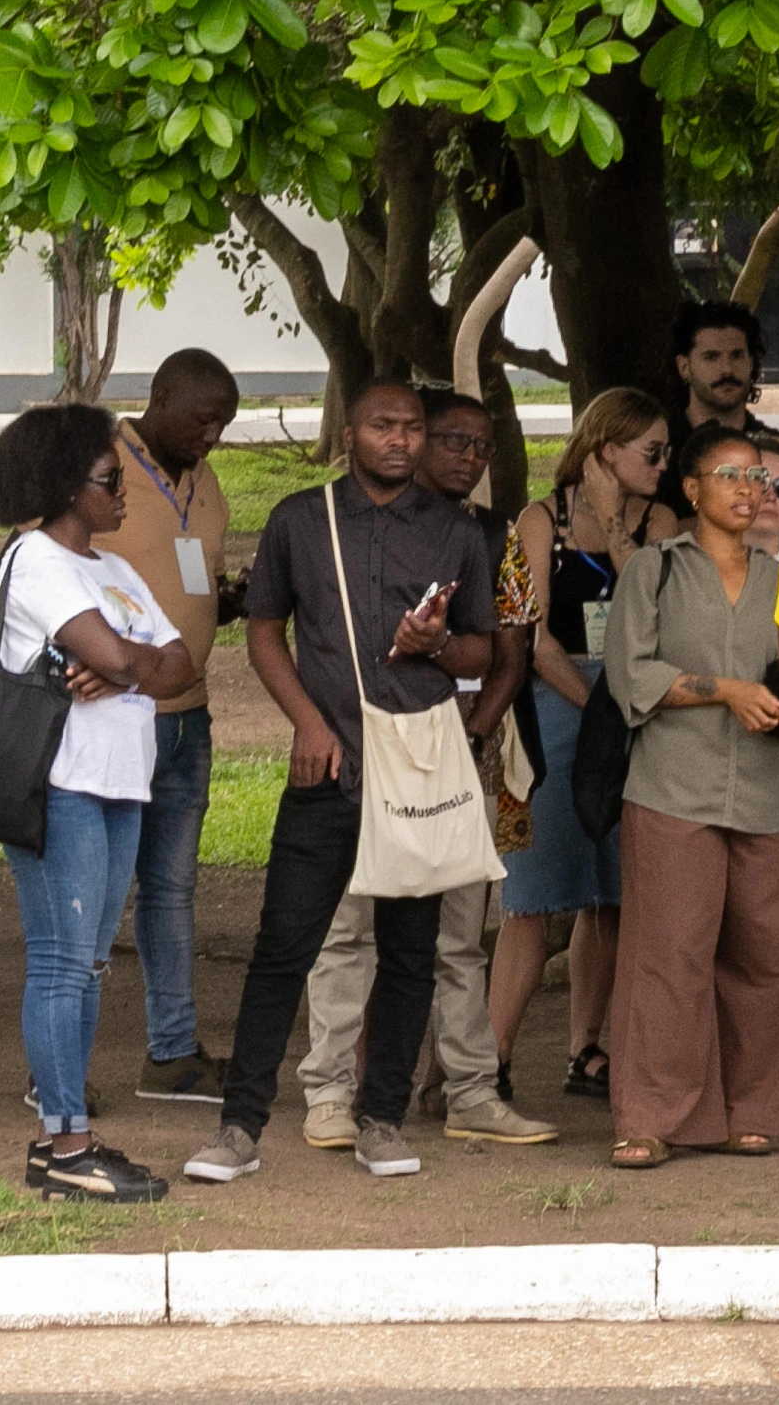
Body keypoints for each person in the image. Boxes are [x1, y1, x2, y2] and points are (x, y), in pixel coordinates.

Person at [182, 379, 497, 1188]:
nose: (400, 440)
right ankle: (239, 1127)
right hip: (327, 767)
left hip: (416, 768)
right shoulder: (299, 518)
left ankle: (381, 1119)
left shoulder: (455, 532)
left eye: (413, 428)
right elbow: (262, 628)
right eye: (382, 426)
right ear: (349, 434)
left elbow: (482, 652)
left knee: (409, 953)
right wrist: (307, 724)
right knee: (283, 949)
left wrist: (431, 646)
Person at [295, 386, 556, 1146]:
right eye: (453, 441)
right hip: (365, 744)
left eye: (480, 446)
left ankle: (469, 1089)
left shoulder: (490, 534)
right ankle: (330, 1092)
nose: (467, 458)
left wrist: (476, 727)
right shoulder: (358, 531)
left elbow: (511, 647)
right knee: (349, 923)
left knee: (454, 930)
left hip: (453, 744)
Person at [0, 402, 198, 1202]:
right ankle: (64, 1143)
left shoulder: (114, 569)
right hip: (59, 785)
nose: (125, 491)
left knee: (92, 964)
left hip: (118, 784)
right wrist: (126, 662)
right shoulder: (36, 560)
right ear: (66, 485)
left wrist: (122, 667)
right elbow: (125, 654)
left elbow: (184, 666)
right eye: (111, 478)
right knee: (60, 961)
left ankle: (66, 1139)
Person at [599, 425, 779, 1163]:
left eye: (760, 478)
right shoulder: (653, 572)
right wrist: (724, 691)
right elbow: (631, 679)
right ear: (690, 489)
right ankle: (650, 1117)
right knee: (668, 953)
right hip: (673, 791)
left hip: (777, 796)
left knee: (770, 955)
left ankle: (752, 1109)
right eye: (730, 474)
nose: (750, 489)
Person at [494, 388, 670, 1103]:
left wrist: (610, 521)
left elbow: (653, 613)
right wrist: (600, 707)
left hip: (638, 709)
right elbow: (530, 639)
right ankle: (490, 1058)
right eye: (650, 452)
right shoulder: (536, 521)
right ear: (604, 452)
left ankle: (587, 1048)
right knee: (532, 896)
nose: (663, 464)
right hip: (555, 712)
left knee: (613, 894)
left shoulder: (658, 521)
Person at [83, 347, 241, 1109]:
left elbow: (192, 576)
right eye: (203, 417)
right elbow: (47, 568)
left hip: (188, 719)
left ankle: (172, 1054)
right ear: (161, 397)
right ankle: (58, 1066)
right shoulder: (95, 464)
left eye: (225, 423)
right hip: (115, 716)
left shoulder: (202, 480)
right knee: (97, 890)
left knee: (171, 891)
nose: (213, 434)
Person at [673, 299, 779, 523]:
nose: (727, 369)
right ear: (684, 367)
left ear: (752, 363)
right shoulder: (658, 451)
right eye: (711, 357)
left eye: (737, 355)